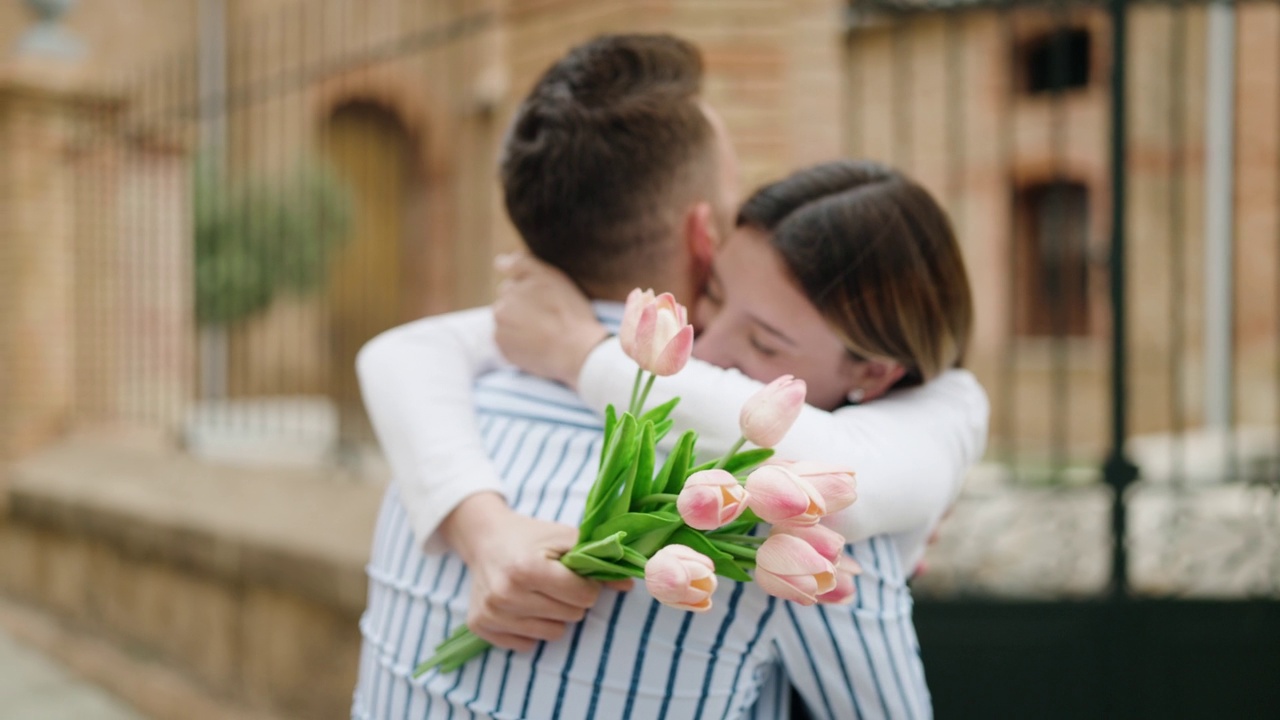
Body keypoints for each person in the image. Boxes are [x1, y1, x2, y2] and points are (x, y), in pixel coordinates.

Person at [353, 36, 987, 720]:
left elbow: (398, 350)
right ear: (703, 236)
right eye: (715, 295)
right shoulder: (779, 520)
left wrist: (485, 511)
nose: (711, 344)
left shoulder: (442, 441)